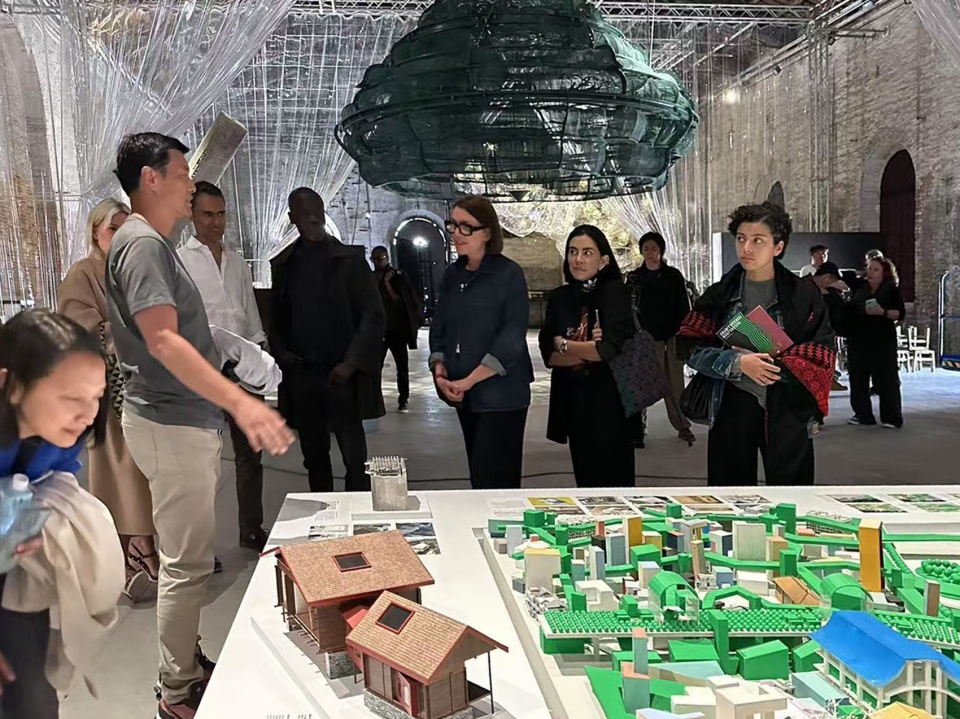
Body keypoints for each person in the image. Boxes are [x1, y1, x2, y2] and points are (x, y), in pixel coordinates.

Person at [106, 132, 292, 719]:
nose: (191, 184)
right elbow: (163, 340)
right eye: (182, 174)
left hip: (179, 418)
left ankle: (186, 660)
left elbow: (187, 331)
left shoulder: (154, 244)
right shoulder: (142, 245)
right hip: (170, 420)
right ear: (151, 178)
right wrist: (243, 404)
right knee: (186, 566)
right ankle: (176, 690)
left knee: (187, 557)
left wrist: (234, 357)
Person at [0, 309, 111, 719]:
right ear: (10, 385)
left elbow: (55, 478)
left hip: (14, 572)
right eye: (72, 398)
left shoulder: (59, 436)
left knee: (32, 694)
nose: (88, 414)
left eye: (96, 396)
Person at [679, 202, 835, 486]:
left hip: (787, 405)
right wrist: (737, 363)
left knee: (791, 493)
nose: (746, 248)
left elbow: (822, 351)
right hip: (731, 403)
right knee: (731, 495)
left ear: (778, 247)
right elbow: (690, 346)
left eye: (758, 240)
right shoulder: (720, 295)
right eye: (741, 239)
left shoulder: (803, 295)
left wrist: (779, 366)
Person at [58, 197, 158, 601]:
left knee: (143, 473)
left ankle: (143, 549)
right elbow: (74, 323)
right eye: (112, 228)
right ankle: (126, 557)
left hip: (143, 386)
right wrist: (119, 333)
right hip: (106, 390)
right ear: (96, 232)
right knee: (119, 473)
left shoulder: (130, 270)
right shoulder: (83, 273)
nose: (119, 236)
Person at [270, 188, 385, 493]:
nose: (314, 220)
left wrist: (351, 363)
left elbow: (373, 316)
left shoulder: (349, 261)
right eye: (306, 215)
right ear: (293, 218)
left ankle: (356, 512)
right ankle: (324, 513)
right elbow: (277, 320)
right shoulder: (285, 265)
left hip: (341, 376)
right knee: (315, 457)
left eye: (318, 214)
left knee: (354, 458)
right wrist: (283, 354)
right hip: (304, 376)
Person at [178, 181, 269, 552]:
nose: (216, 222)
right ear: (191, 215)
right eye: (207, 215)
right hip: (202, 373)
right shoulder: (180, 262)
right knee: (202, 463)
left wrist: (259, 357)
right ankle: (202, 548)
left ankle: (251, 529)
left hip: (242, 370)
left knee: (251, 455)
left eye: (221, 214)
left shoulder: (237, 262)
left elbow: (250, 314)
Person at [429, 195, 533, 489]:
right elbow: (440, 328)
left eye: (467, 227)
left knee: (496, 482)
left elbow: (512, 337)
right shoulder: (453, 274)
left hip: (502, 396)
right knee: (479, 479)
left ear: (487, 233)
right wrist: (440, 373)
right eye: (453, 225)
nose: (456, 234)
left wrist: (469, 380)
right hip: (465, 395)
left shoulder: (508, 274)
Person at [540, 225, 636, 487]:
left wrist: (564, 344)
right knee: (585, 482)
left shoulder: (616, 294)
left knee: (617, 484)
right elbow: (549, 355)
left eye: (587, 252)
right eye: (572, 252)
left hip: (611, 403)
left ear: (603, 260)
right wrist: (585, 349)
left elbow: (607, 351)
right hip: (575, 403)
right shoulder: (560, 298)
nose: (578, 259)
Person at [625, 231, 696, 446]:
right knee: (643, 385)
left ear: (661, 250)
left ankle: (682, 425)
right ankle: (638, 428)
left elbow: (683, 306)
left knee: (675, 384)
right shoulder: (635, 278)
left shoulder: (673, 276)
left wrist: (684, 334)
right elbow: (629, 310)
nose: (650, 253)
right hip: (646, 339)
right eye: (646, 249)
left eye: (654, 248)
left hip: (671, 338)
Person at [846, 256, 905, 429]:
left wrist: (882, 312)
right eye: (869, 268)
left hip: (882, 339)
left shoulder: (891, 290)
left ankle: (891, 417)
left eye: (875, 269)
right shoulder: (860, 287)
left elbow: (900, 313)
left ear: (884, 273)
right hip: (859, 338)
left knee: (887, 378)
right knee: (858, 378)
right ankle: (863, 414)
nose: (870, 272)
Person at [371, 245, 422, 411]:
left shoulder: (397, 277)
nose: (377, 262)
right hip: (378, 330)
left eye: (380, 259)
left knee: (402, 366)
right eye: (374, 259)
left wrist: (387, 284)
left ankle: (403, 398)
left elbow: (402, 302)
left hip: (396, 329)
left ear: (386, 258)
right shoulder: (371, 277)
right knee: (375, 367)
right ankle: (374, 398)